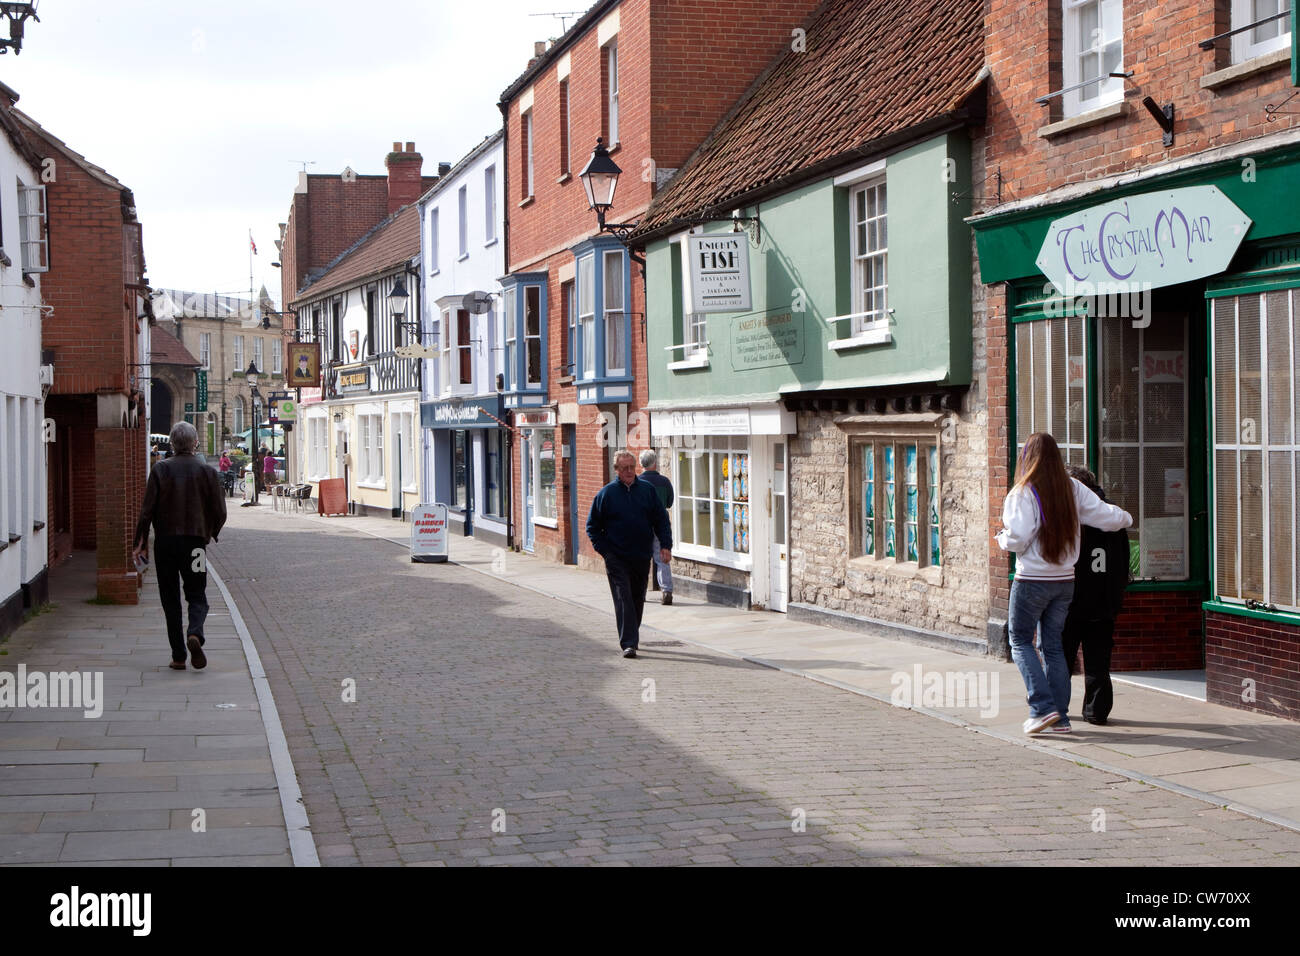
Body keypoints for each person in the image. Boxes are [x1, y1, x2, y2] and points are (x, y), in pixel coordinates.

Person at [995, 432, 1131, 735]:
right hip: (1064, 582)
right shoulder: (1073, 487)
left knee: (1019, 641)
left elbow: (1017, 538)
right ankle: (1061, 718)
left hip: (1032, 580)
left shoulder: (1023, 492)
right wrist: (1127, 518)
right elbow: (1106, 516)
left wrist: (1001, 537)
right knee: (1053, 647)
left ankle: (1042, 708)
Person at [131, 420, 227, 671]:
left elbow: (147, 511)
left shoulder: (161, 469)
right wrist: (210, 533)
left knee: (170, 598)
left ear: (172, 443)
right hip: (194, 544)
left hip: (166, 544)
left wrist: (140, 540)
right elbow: (220, 511)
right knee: (197, 594)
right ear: (195, 442)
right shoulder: (207, 471)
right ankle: (195, 633)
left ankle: (178, 656)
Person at [1062, 464, 1131, 725]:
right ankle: (1096, 710)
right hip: (1103, 600)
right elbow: (1122, 561)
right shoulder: (1112, 515)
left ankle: (1055, 707)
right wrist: (1116, 596)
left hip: (1071, 599)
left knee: (1061, 658)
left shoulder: (1068, 512)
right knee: (1098, 660)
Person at [587, 450, 673, 659]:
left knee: (637, 598)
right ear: (616, 470)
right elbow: (593, 527)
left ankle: (632, 633)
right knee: (623, 596)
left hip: (641, 555)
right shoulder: (606, 494)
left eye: (630, 467)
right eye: (623, 468)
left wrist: (665, 545)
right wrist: (606, 552)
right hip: (616, 556)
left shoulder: (647, 490)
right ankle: (629, 643)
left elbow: (661, 519)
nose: (628, 471)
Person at [638, 449, 675, 605]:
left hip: (642, 525)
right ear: (655, 463)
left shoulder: (637, 482)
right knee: (662, 558)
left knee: (642, 559)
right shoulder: (664, 482)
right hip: (661, 525)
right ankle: (666, 591)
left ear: (641, 464)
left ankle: (641, 592)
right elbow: (669, 503)